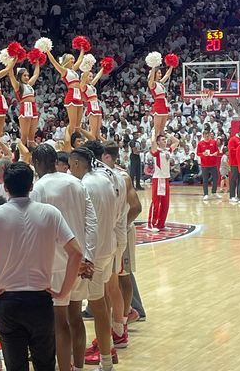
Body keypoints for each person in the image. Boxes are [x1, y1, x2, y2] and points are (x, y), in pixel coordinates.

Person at [0, 162, 82, 371]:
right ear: (31, 186)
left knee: (15, 366)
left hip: (8, 301)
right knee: (45, 364)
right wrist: (64, 291)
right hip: (40, 299)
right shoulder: (50, 213)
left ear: (5, 187)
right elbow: (76, 253)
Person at [30, 144, 96, 371]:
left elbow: (35, 229)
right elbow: (91, 222)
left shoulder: (39, 188)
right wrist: (88, 256)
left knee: (59, 323)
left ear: (38, 163)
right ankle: (78, 367)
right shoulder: (76, 183)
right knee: (76, 318)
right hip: (79, 259)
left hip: (56, 264)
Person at [69, 146, 121, 371]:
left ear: (78, 164)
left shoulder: (83, 186)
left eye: (71, 166)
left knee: (73, 308)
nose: (70, 171)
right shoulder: (105, 180)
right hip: (108, 247)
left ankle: (74, 362)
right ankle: (106, 359)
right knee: (100, 304)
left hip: (92, 254)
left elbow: (84, 223)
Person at [101, 142, 142, 345]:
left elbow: (136, 207)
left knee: (123, 277)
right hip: (114, 233)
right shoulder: (105, 175)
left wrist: (121, 226)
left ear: (107, 157)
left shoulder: (122, 176)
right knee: (113, 279)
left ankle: (123, 320)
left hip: (122, 232)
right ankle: (120, 319)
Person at [46, 46, 85, 136]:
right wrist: (48, 51)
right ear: (67, 60)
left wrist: (82, 49)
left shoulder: (73, 70)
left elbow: (79, 60)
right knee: (72, 123)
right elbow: (54, 62)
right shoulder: (64, 71)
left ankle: (77, 142)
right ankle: (67, 141)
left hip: (78, 95)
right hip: (71, 95)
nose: (73, 59)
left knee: (77, 126)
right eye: (71, 58)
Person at [148, 133, 179, 231]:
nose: (165, 141)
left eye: (165, 140)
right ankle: (151, 224)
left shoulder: (168, 150)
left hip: (166, 178)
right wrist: (154, 133)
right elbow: (152, 142)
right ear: (158, 142)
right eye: (162, 140)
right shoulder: (156, 151)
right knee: (156, 202)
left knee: (165, 203)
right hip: (158, 178)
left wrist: (168, 134)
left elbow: (177, 142)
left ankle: (161, 224)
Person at [8, 63, 41, 146]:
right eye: (24, 76)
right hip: (25, 108)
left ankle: (31, 155)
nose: (27, 77)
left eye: (27, 75)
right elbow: (11, 75)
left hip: (33, 108)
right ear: (19, 77)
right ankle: (19, 156)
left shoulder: (29, 85)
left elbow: (36, 74)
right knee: (24, 137)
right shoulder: (18, 85)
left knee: (31, 138)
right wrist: (11, 62)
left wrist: (37, 62)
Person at [80, 63, 105, 140]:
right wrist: (86, 68)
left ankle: (109, 145)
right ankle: (79, 129)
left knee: (98, 133)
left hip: (97, 107)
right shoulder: (83, 86)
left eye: (92, 76)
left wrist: (104, 67)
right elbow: (83, 79)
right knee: (93, 134)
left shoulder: (91, 86)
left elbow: (97, 77)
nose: (91, 78)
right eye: (89, 76)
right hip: (91, 106)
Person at [148, 63, 174, 136]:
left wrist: (172, 66)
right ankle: (154, 145)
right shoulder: (152, 84)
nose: (160, 74)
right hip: (158, 105)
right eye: (159, 73)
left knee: (162, 130)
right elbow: (151, 77)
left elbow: (167, 75)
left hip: (164, 104)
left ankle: (161, 146)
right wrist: (153, 66)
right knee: (157, 130)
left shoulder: (160, 83)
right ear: (155, 74)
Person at [197, 130, 220, 200]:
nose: (207, 137)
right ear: (203, 135)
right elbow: (198, 153)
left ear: (210, 135)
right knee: (205, 180)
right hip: (204, 165)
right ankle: (206, 194)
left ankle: (214, 192)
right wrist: (203, 154)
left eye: (208, 135)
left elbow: (217, 150)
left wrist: (216, 153)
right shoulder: (200, 143)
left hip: (213, 164)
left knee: (216, 178)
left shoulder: (214, 142)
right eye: (205, 135)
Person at [228, 130, 240, 203]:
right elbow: (231, 150)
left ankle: (239, 196)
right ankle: (232, 196)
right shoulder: (232, 139)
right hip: (234, 163)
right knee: (233, 179)